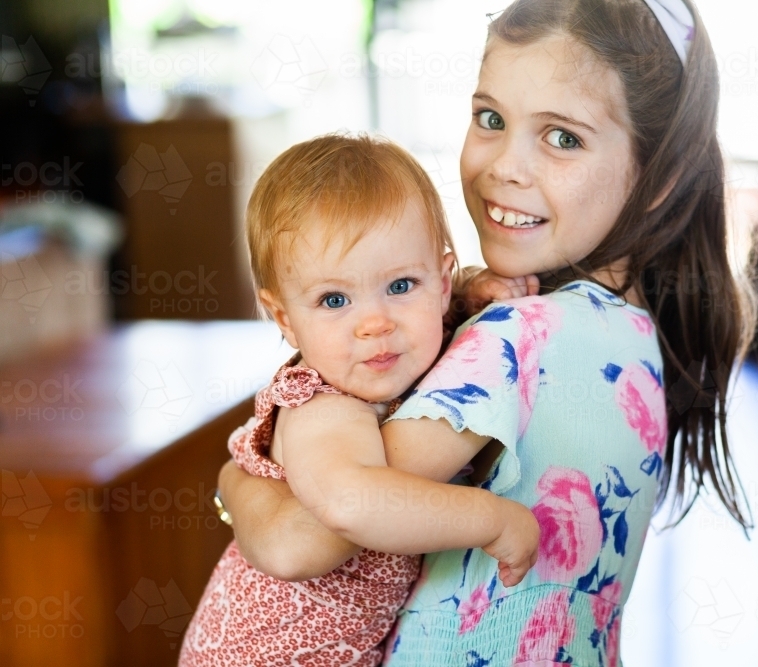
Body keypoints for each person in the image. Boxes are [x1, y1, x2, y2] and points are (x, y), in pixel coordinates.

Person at [217, 0, 758, 664]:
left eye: (563, 137)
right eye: (491, 119)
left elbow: (299, 534)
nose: (506, 165)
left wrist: (233, 480)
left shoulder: (516, 338)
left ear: (660, 176)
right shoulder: (633, 335)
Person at [179, 134, 540, 667]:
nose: (374, 324)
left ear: (441, 285)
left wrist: (469, 292)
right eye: (334, 299)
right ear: (284, 319)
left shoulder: (383, 359)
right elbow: (351, 503)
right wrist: (492, 519)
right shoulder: (321, 404)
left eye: (400, 286)